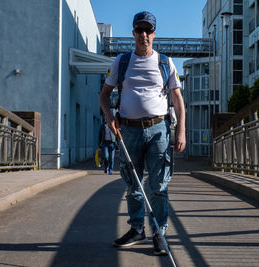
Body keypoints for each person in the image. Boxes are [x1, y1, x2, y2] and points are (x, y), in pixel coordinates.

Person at [99, 11, 186, 255]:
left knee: (158, 186)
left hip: (159, 130)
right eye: (139, 30)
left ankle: (159, 232)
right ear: (134, 33)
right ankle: (137, 229)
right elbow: (104, 94)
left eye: (148, 30)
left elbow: (178, 99)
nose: (144, 35)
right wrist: (109, 118)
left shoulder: (165, 62)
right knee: (133, 184)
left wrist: (181, 131)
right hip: (128, 130)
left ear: (154, 34)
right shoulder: (121, 61)